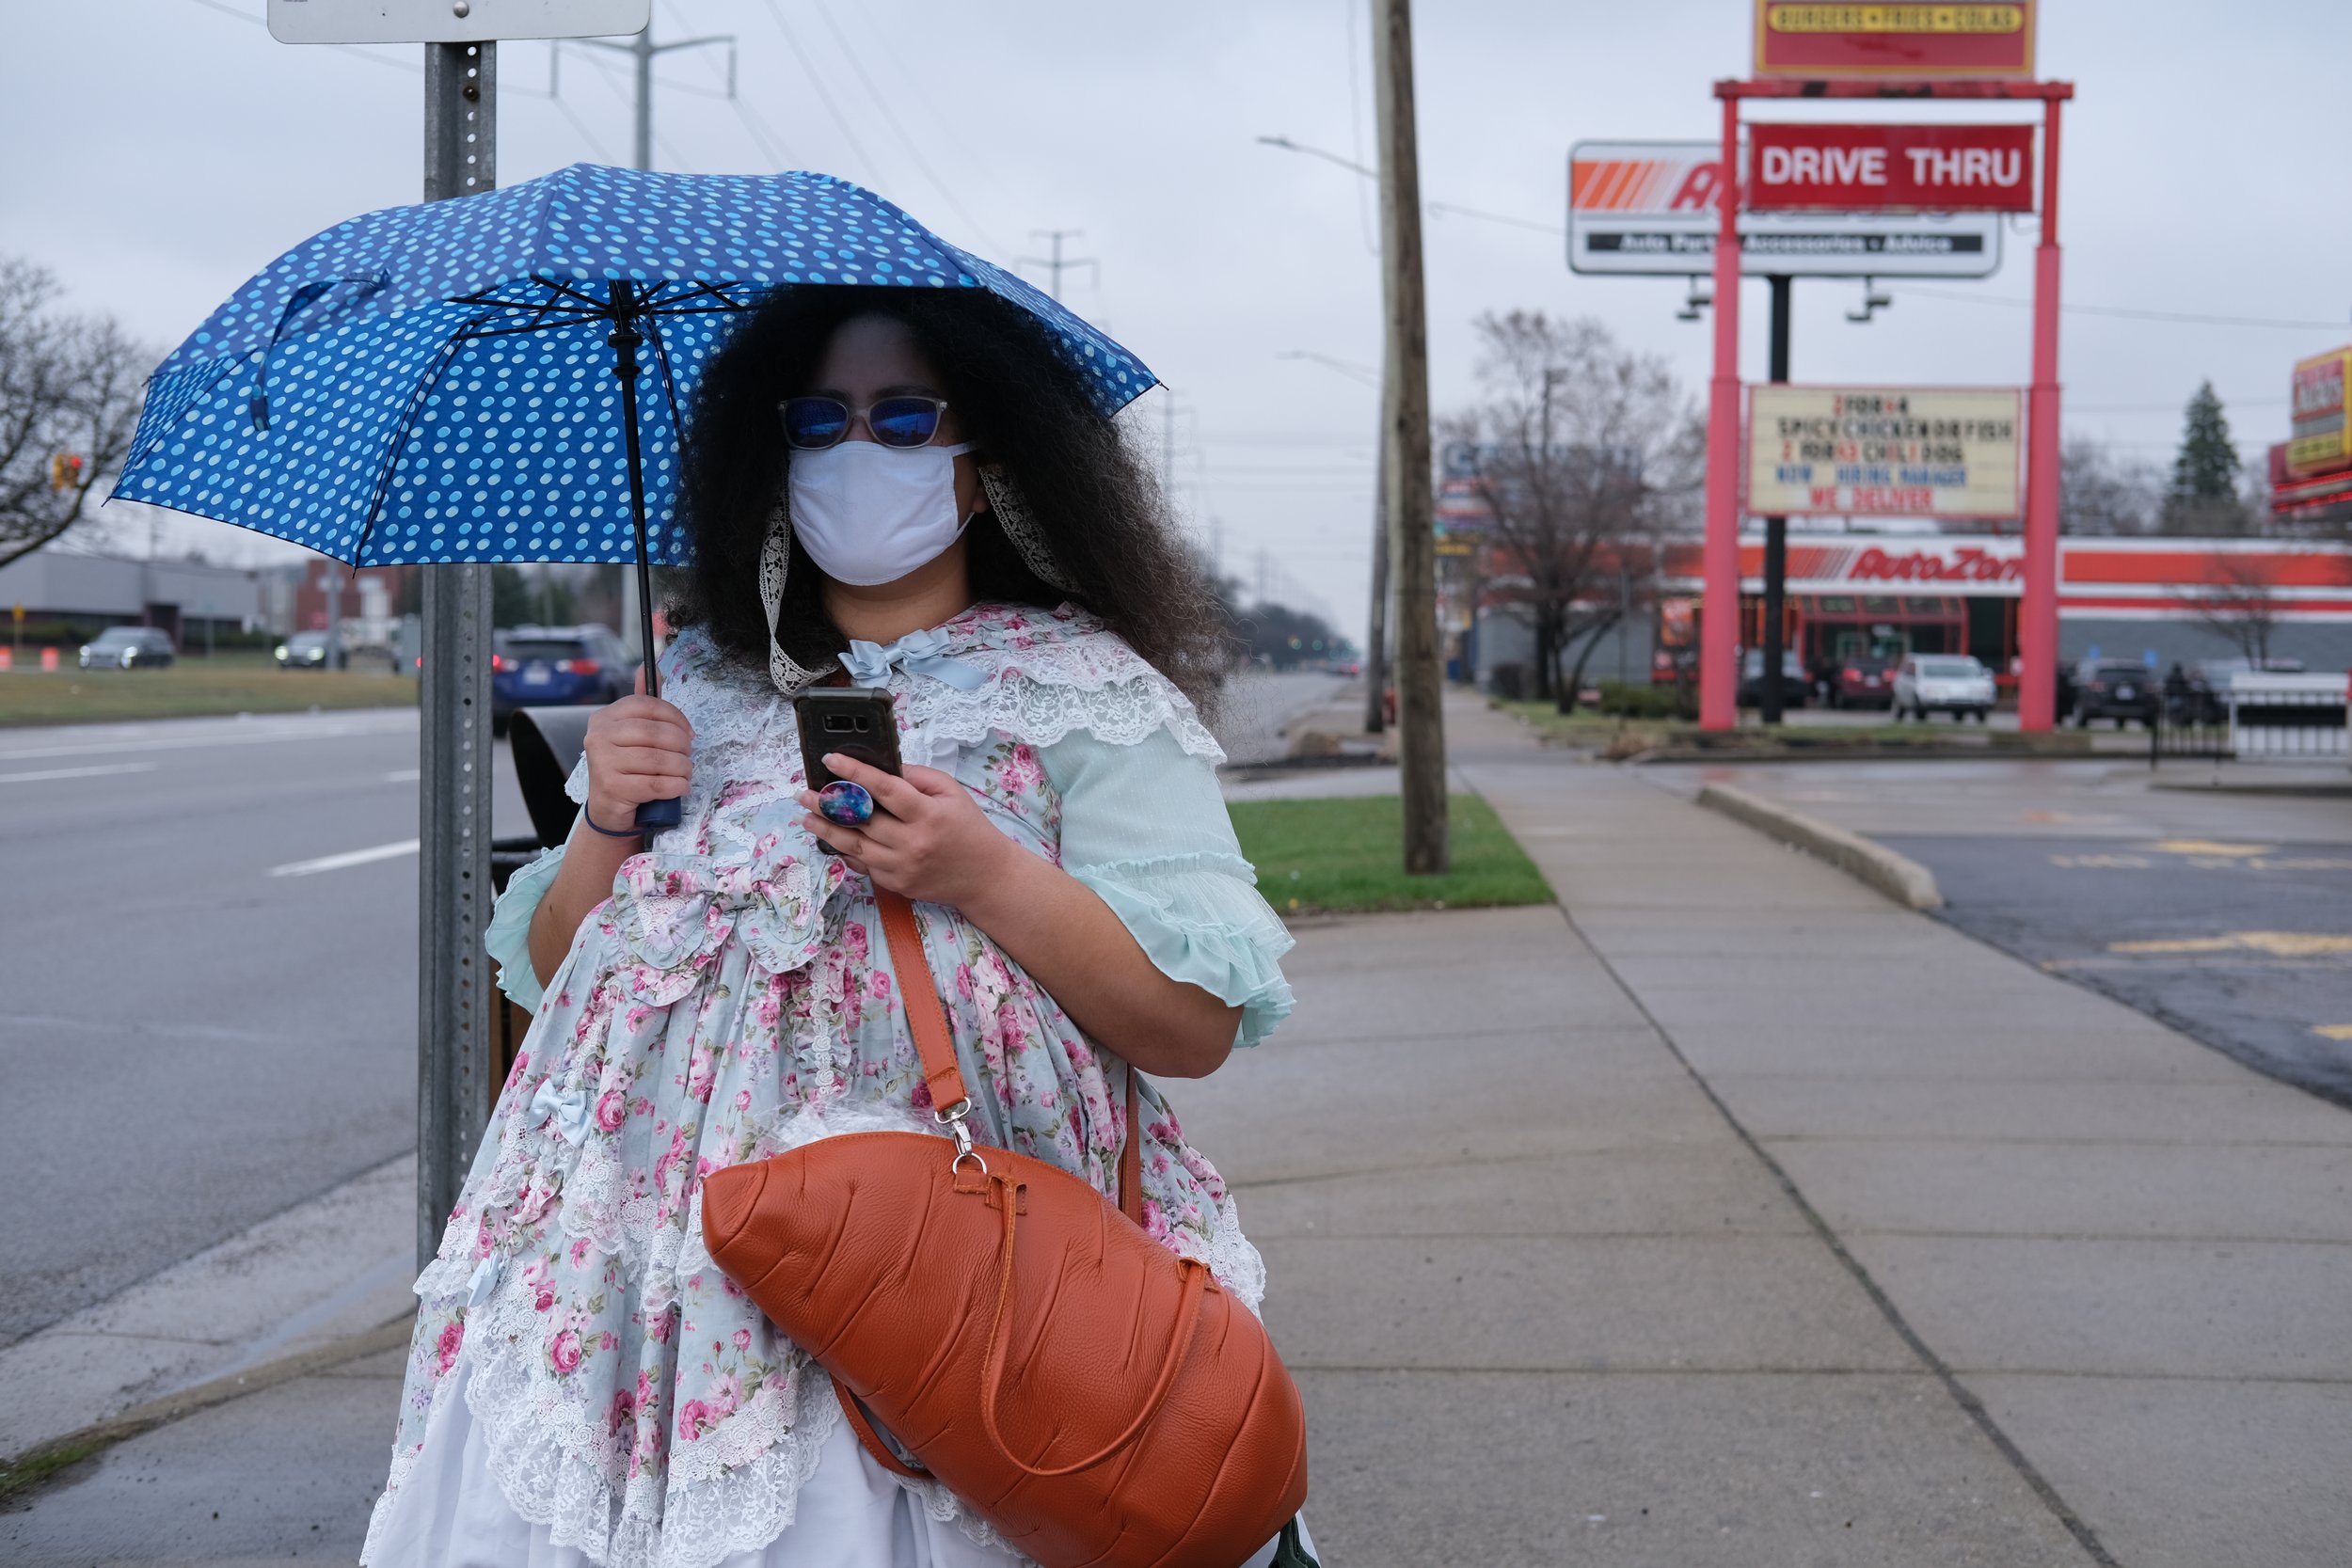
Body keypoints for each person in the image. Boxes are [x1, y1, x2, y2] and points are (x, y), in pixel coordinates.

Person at [362, 286, 1308, 1567]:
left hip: (955, 1276)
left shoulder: (1088, 693)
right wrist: (605, 819)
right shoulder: (694, 685)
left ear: (990, 465)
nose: (855, 450)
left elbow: (1191, 1025)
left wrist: (982, 872)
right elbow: (556, 977)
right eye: (818, 419)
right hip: (649, 1298)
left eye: (905, 419)